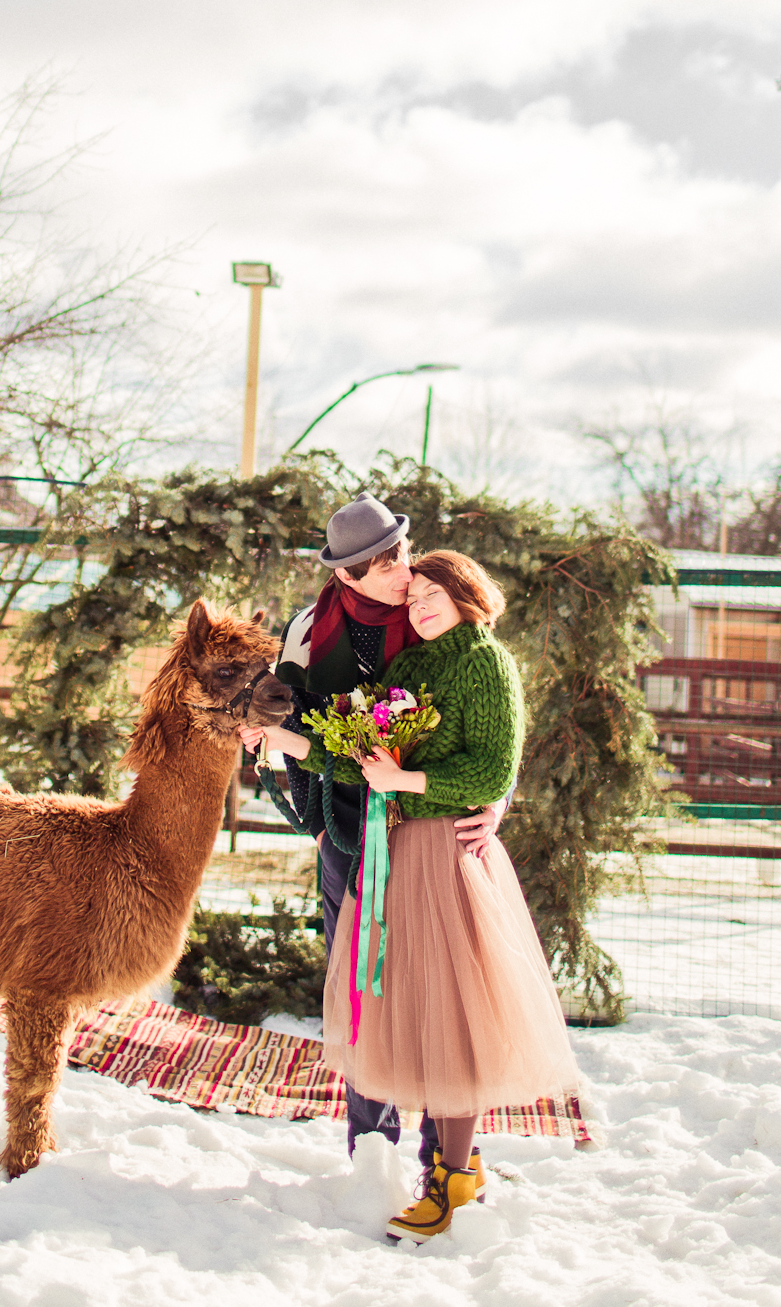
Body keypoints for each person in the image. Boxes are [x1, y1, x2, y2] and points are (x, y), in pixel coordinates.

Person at [270, 548, 579, 1240]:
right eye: (414, 598)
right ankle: (397, 1163)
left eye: (432, 592)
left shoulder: (484, 660)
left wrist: (404, 783)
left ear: (469, 593)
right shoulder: (411, 667)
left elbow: (490, 766)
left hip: (451, 855)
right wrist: (279, 736)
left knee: (454, 1013)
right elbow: (353, 749)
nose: (419, 604)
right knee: (404, 1002)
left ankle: (451, 1176)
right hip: (401, 853)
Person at [243, 495, 506, 1174]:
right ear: (346, 576)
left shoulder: (431, 609)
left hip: (429, 824)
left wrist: (496, 796)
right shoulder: (310, 628)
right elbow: (288, 712)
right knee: (361, 984)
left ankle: (443, 1158)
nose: (401, 568)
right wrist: (263, 727)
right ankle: (373, 1153)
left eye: (400, 549)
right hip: (343, 822)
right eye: (381, 562)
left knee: (441, 986)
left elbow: (491, 714)